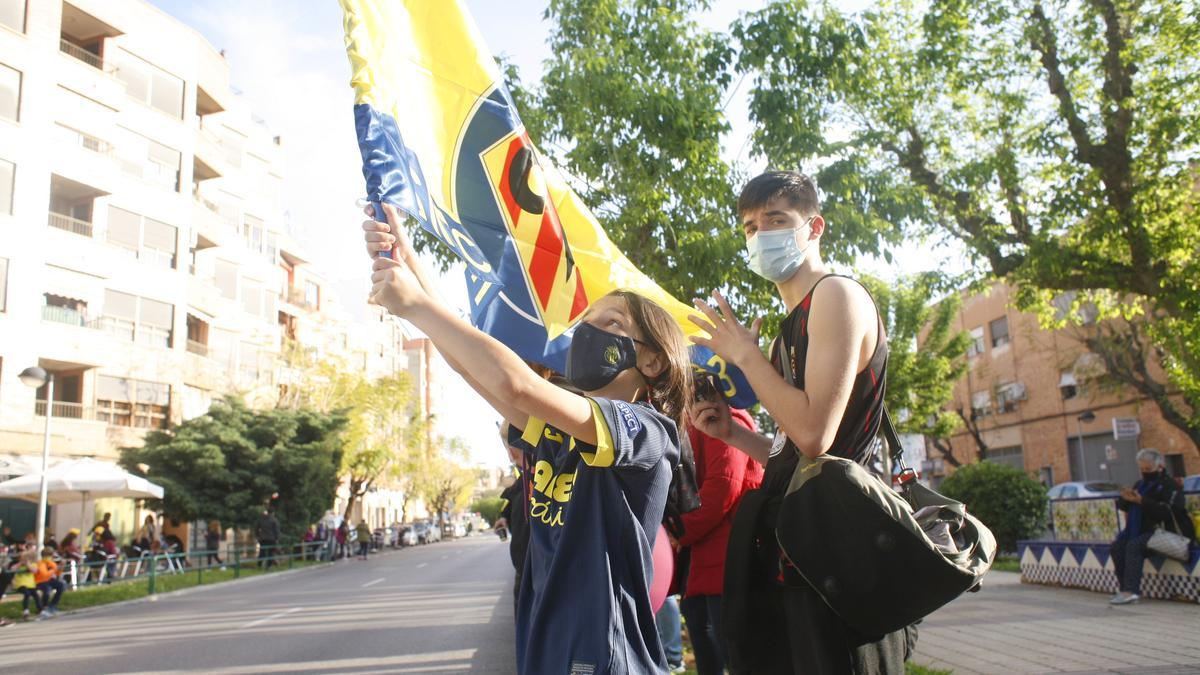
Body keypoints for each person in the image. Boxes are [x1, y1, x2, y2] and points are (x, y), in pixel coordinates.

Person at [363, 204, 689, 674]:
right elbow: (468, 365)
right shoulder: (554, 432)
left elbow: (519, 384)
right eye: (589, 321)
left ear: (654, 363)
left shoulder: (648, 431)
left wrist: (414, 304)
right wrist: (407, 259)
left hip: (603, 654)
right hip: (544, 647)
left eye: (614, 323)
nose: (591, 331)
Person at [689, 170, 916, 673]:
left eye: (775, 220)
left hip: (837, 556)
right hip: (798, 549)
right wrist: (732, 434)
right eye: (749, 226)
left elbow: (816, 436)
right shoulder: (784, 331)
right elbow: (793, 450)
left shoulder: (835, 296)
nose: (759, 235)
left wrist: (747, 358)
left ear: (814, 228)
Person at [678, 384, 764, 675]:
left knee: (736, 659)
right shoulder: (701, 420)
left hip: (727, 564)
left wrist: (679, 532)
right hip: (706, 564)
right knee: (710, 655)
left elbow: (723, 486)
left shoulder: (725, 420)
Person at [1110, 448, 1196, 605]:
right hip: (1144, 532)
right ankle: (1124, 589)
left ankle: (1132, 591)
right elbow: (1125, 506)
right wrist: (1126, 498)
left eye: (1148, 469)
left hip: (1166, 533)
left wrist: (1142, 501)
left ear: (1159, 466)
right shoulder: (1140, 484)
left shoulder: (1169, 485)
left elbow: (1169, 512)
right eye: (1142, 469)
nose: (1145, 472)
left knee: (1134, 545)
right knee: (1118, 546)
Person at [12, 544, 42, 620]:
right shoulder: (19, 565)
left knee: (36, 595)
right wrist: (20, 564)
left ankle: (40, 609)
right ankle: (26, 611)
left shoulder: (33, 564)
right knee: (27, 594)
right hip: (20, 584)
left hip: (31, 585)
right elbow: (12, 569)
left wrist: (28, 564)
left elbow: (34, 571)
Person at [35, 547, 65, 617]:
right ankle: (44, 606)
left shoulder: (52, 563)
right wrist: (54, 570)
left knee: (60, 585)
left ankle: (52, 605)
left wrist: (61, 566)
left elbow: (57, 573)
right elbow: (44, 574)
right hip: (40, 581)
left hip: (48, 580)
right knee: (47, 589)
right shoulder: (40, 563)